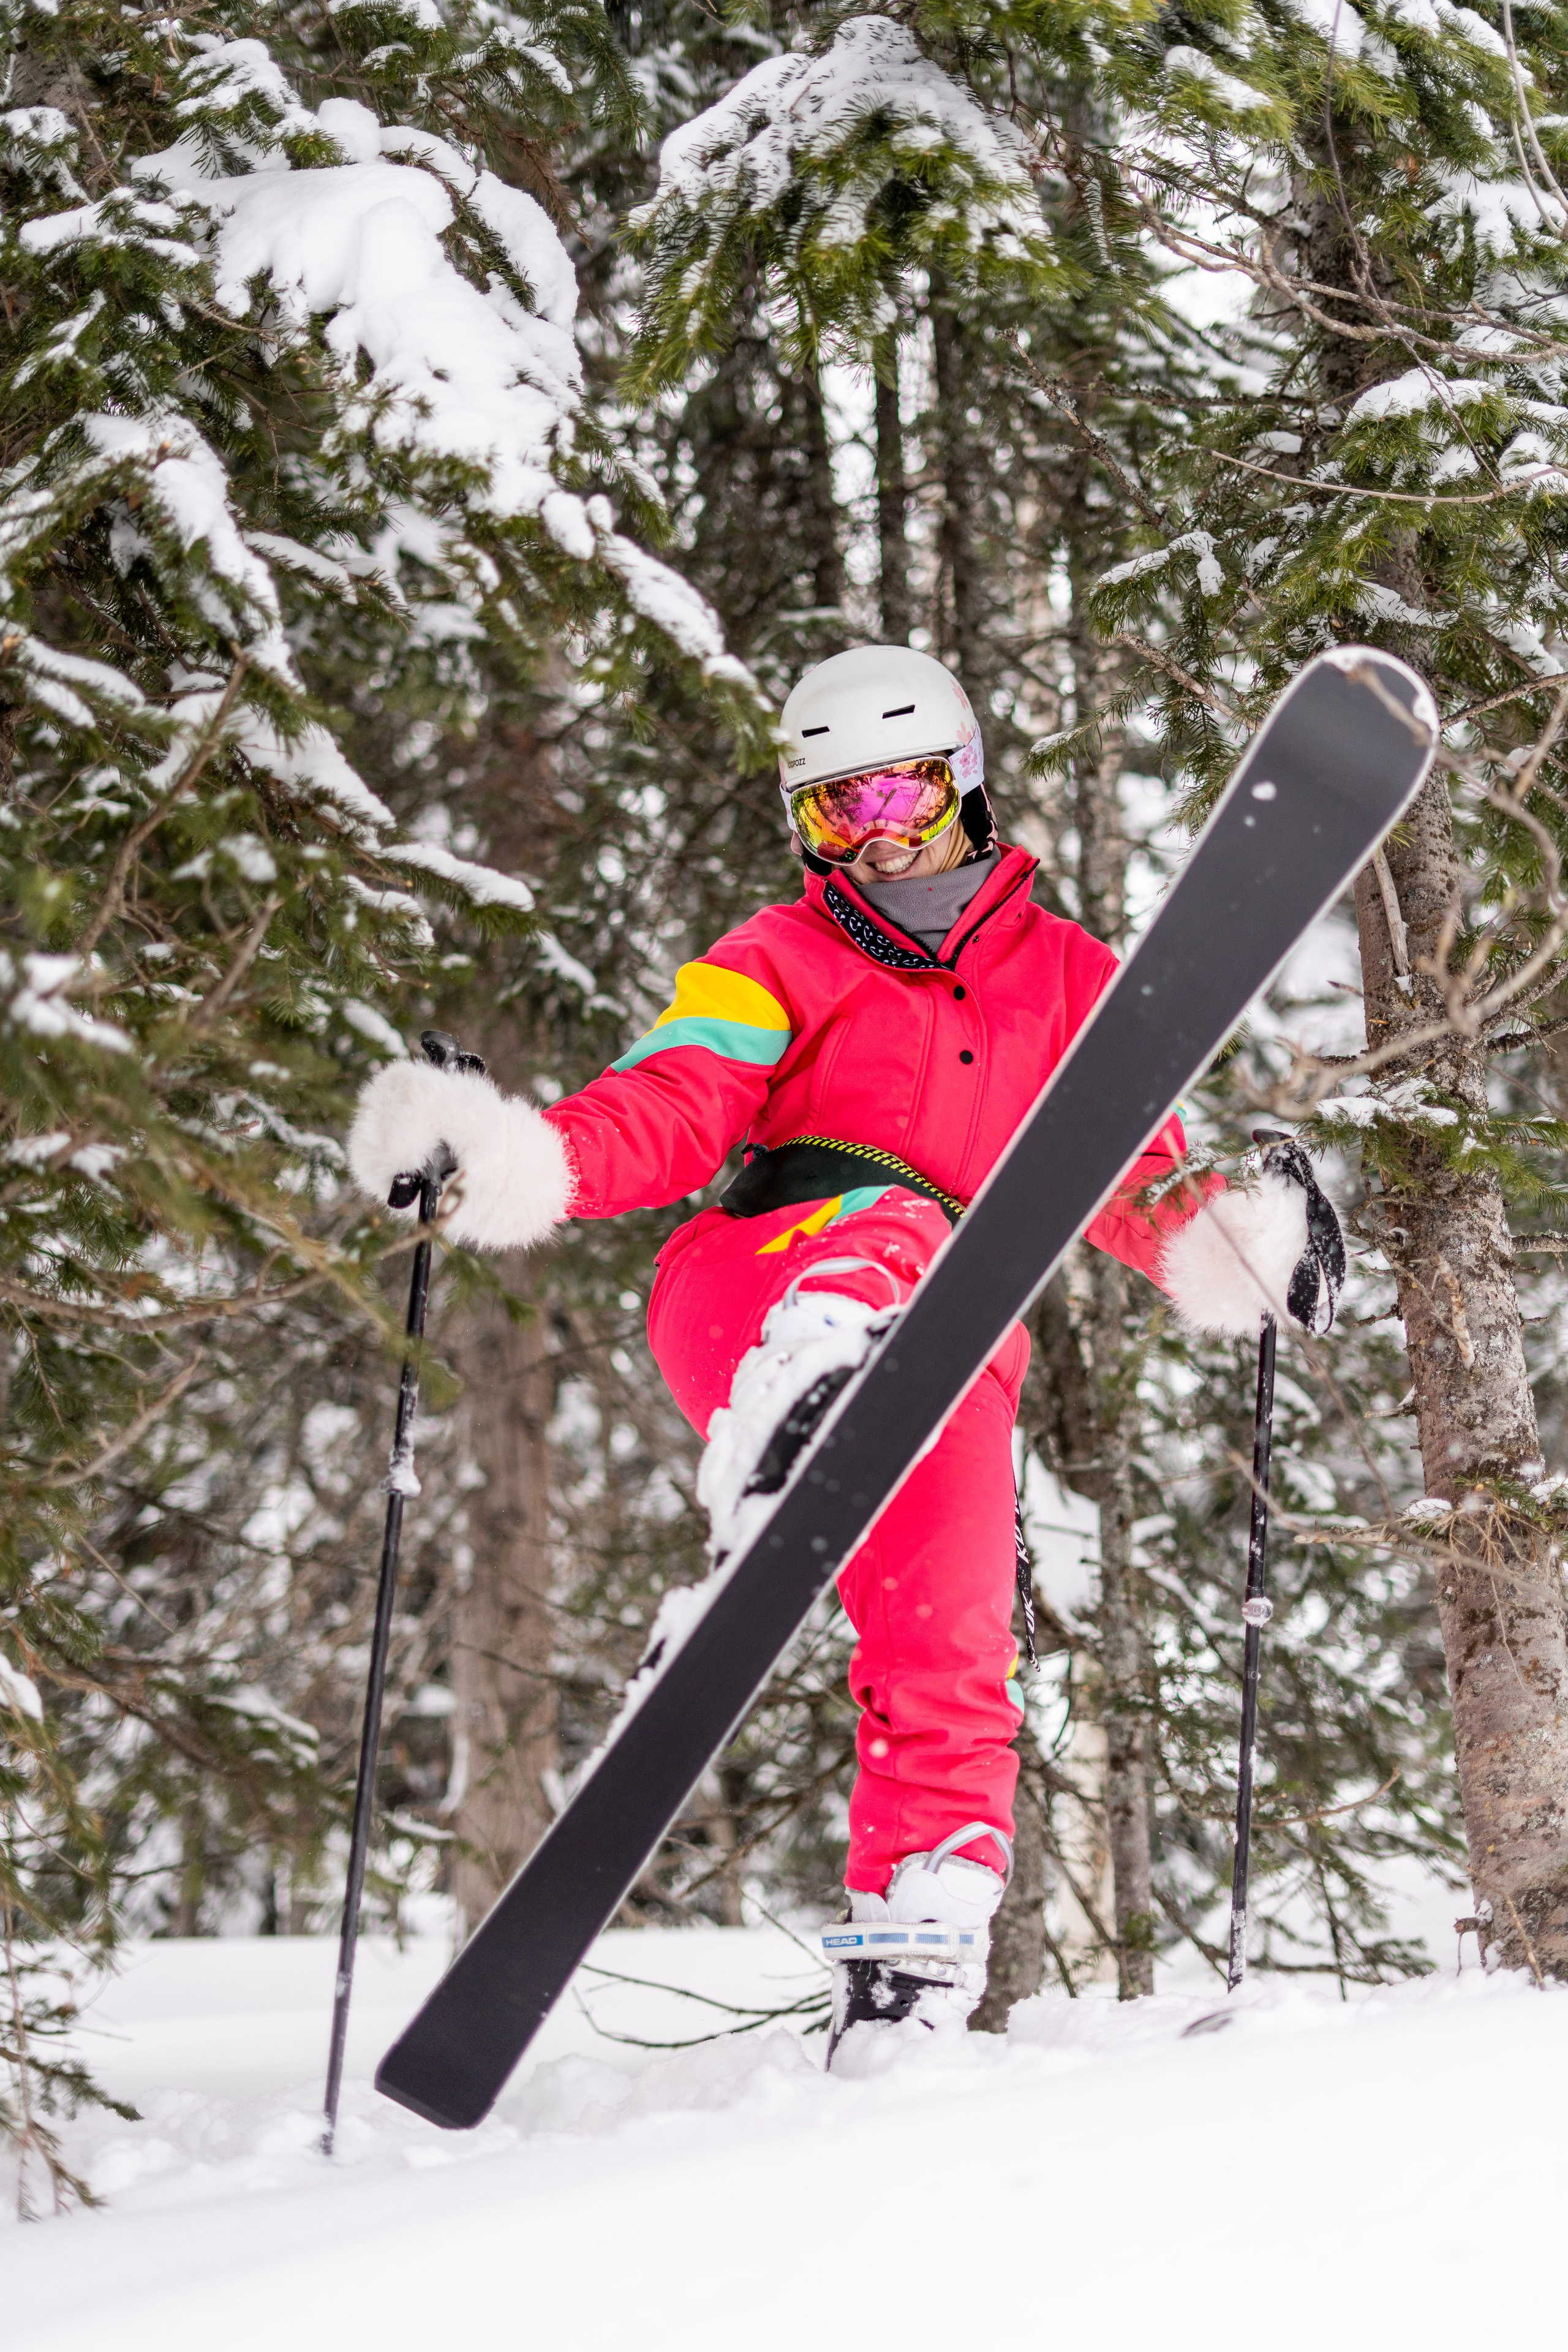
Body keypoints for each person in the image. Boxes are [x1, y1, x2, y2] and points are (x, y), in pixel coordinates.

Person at [349, 644, 1341, 2061]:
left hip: (948, 1361)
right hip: (754, 1282)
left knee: (953, 1643)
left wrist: (1253, 1250)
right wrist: (508, 1159)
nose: (872, 836)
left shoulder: (1068, 981)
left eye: (894, 796)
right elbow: (670, 1101)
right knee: (892, 1225)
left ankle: (905, 1977)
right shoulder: (772, 959)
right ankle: (801, 1420)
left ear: (962, 785)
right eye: (835, 812)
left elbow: (1142, 1180)